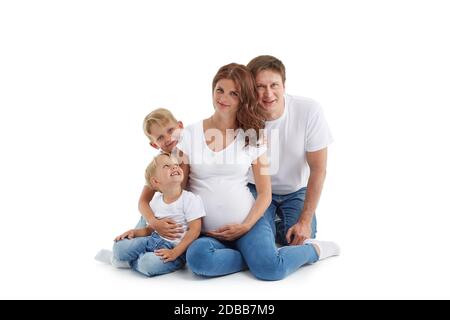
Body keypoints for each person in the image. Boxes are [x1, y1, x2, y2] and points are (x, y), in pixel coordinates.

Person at [177, 63, 339, 281]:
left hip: (248, 221)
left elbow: (264, 193)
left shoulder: (252, 136)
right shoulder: (188, 134)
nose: (224, 98)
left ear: (243, 98)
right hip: (209, 232)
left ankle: (316, 250)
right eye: (220, 90)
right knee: (198, 260)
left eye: (234, 93)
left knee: (269, 269)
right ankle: (251, 257)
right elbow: (177, 187)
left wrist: (245, 225)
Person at [246, 55, 332, 246]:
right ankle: (268, 227)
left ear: (284, 86)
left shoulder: (309, 110)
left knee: (299, 236)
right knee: (255, 240)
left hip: (295, 190)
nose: (268, 93)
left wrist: (305, 221)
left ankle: (278, 226)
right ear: (251, 89)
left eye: (274, 85)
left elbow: (319, 169)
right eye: (260, 87)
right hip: (256, 188)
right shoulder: (242, 115)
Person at [111, 153, 206, 276]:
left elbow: (195, 230)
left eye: (176, 165)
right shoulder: (156, 201)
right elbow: (150, 229)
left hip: (173, 249)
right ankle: (127, 259)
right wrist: (134, 232)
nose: (175, 167)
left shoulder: (190, 199)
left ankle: (129, 263)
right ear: (156, 181)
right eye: (167, 166)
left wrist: (175, 252)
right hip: (152, 240)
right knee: (119, 248)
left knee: (147, 264)